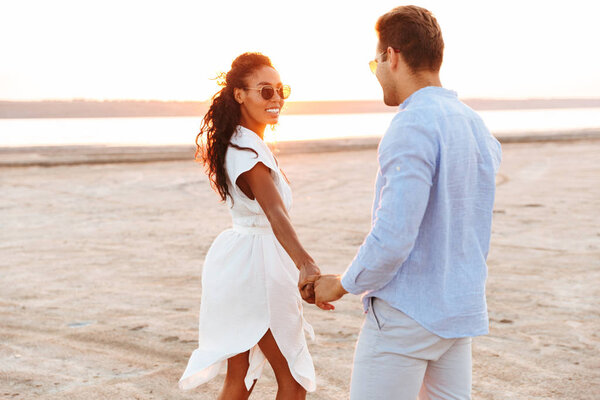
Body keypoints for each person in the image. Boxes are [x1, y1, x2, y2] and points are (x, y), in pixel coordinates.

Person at [306, 5, 502, 400]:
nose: (377, 72)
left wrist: (342, 285)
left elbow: (394, 236)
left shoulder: (412, 124)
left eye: (375, 62)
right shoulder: (474, 124)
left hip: (407, 314)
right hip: (457, 311)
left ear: (392, 56)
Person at [179, 52, 331, 400]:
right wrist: (306, 264)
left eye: (281, 90)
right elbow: (276, 215)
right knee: (293, 381)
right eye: (265, 91)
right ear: (239, 94)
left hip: (240, 261)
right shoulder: (249, 153)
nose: (276, 98)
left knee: (240, 379)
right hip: (257, 266)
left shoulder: (239, 143)